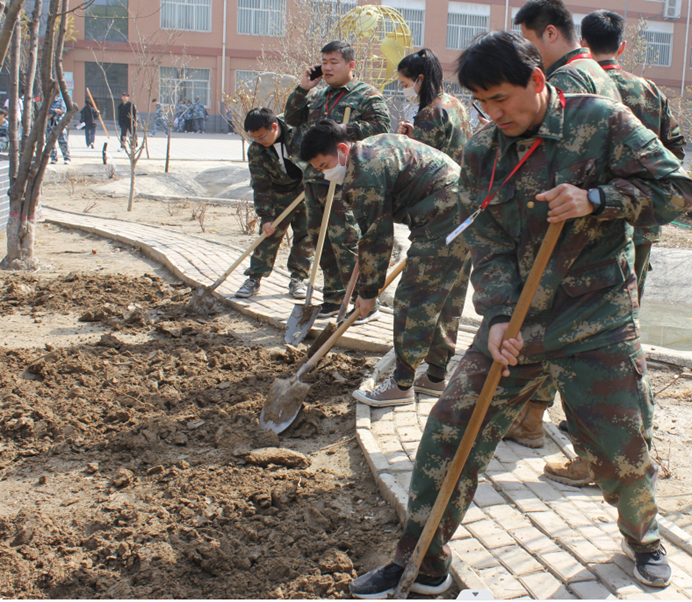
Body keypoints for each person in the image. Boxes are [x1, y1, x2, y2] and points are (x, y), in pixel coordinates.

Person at [348, 31, 692, 597]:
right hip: (520, 326)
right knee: (449, 434)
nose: (493, 113)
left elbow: (677, 189)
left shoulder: (601, 122)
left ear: (537, 80)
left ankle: (644, 537)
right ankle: (421, 563)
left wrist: (599, 199)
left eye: (502, 98)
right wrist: (501, 315)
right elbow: (486, 238)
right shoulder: (484, 151)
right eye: (482, 102)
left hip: (596, 320)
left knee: (621, 450)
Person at [541, 9, 688, 487]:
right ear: (622, 47)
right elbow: (674, 154)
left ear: (580, 40)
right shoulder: (648, 91)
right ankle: (630, 432)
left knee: (570, 326)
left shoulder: (571, 86)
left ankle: (586, 432)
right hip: (637, 224)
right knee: (624, 326)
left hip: (578, 226)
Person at [504, 0, 623, 450]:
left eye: (529, 44)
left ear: (550, 34)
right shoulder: (597, 71)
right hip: (593, 225)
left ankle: (585, 448)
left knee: (568, 339)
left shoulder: (566, 80)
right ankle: (535, 420)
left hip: (571, 230)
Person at [300, 121, 470, 407]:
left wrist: (368, 293)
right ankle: (436, 377)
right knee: (444, 295)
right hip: (463, 204)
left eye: (324, 165)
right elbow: (374, 230)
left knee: (414, 297)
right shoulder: (368, 148)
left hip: (443, 213)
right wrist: (367, 264)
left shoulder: (363, 174)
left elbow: (379, 239)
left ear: (342, 149)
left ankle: (402, 384)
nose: (325, 174)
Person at [284, 40, 391, 320]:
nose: (327, 67)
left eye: (334, 62)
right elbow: (294, 118)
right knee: (322, 241)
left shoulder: (366, 94)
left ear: (350, 65)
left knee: (345, 241)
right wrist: (303, 88)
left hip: (346, 177)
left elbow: (382, 127)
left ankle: (361, 302)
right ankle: (332, 297)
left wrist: (345, 130)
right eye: (324, 62)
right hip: (315, 177)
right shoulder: (318, 96)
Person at [235, 108, 313, 300]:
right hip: (279, 193)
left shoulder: (299, 132)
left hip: (307, 191)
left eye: (262, 136)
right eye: (255, 138)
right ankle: (254, 278)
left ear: (274, 127)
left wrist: (314, 184)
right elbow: (261, 185)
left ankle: (298, 279)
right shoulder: (256, 150)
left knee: (306, 237)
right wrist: (266, 217)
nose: (259, 141)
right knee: (269, 236)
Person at [396, 48, 472, 164]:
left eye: (406, 85)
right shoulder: (455, 103)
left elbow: (416, 163)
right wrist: (414, 136)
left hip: (441, 180)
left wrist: (400, 141)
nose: (405, 90)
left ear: (420, 79)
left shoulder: (430, 113)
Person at [47, 92, 70, 164]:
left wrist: (52, 112)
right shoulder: (47, 102)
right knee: (50, 143)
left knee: (63, 141)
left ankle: (67, 157)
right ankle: (53, 158)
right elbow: (45, 111)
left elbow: (62, 110)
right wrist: (54, 111)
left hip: (59, 124)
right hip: (50, 125)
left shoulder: (60, 101)